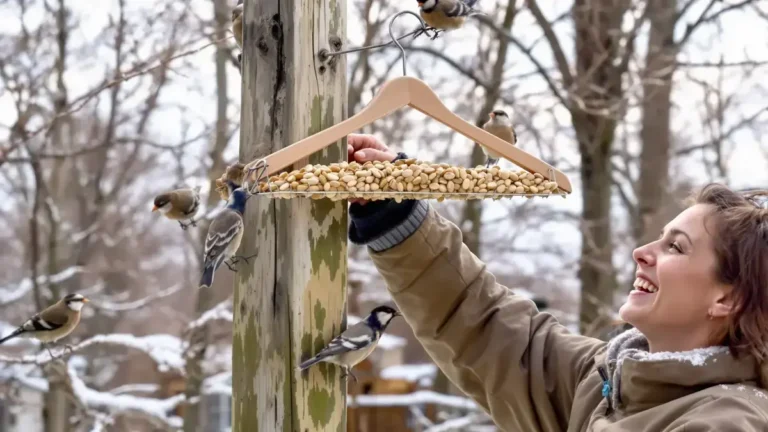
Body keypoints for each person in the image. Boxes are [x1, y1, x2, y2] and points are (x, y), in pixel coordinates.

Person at [345, 133, 768, 431]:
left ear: (727, 298)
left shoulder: (726, 422)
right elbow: (488, 328)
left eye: (675, 247)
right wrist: (393, 210)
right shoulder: (606, 382)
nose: (642, 252)